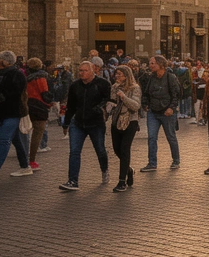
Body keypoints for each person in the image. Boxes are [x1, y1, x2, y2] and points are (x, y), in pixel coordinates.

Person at [60, 59, 111, 191]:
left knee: (100, 149)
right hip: (78, 123)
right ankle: (73, 181)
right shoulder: (75, 85)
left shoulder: (102, 84)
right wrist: (66, 123)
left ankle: (104, 170)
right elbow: (71, 105)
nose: (82, 73)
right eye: (80, 71)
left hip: (96, 123)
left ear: (92, 71)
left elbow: (109, 99)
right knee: (74, 151)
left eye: (85, 70)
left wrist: (99, 108)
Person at [0, 50, 32, 181]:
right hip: (0, 112)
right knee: (16, 140)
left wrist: (0, 97)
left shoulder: (17, 75)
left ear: (4, 62)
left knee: (4, 140)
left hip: (12, 112)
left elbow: (15, 94)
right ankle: (25, 166)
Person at [139, 55, 183, 173]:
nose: (150, 65)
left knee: (171, 136)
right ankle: (152, 163)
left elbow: (176, 94)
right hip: (153, 112)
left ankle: (176, 160)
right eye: (150, 63)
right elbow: (146, 92)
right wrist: (145, 104)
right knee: (152, 137)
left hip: (167, 112)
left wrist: (171, 108)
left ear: (161, 64)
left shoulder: (170, 77)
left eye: (153, 63)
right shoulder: (151, 77)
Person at [108, 64, 141, 193]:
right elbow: (112, 102)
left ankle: (122, 181)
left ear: (126, 76)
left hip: (130, 121)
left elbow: (136, 106)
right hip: (117, 121)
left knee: (125, 149)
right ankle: (129, 170)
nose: (116, 76)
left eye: (119, 74)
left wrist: (124, 97)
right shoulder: (114, 87)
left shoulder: (135, 88)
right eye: (116, 74)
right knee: (117, 149)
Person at [24, 58, 52, 171]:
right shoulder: (40, 78)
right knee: (38, 133)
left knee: (26, 132)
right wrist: (50, 102)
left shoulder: (27, 79)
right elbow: (44, 93)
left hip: (29, 105)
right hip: (39, 106)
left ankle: (25, 157)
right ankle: (32, 160)